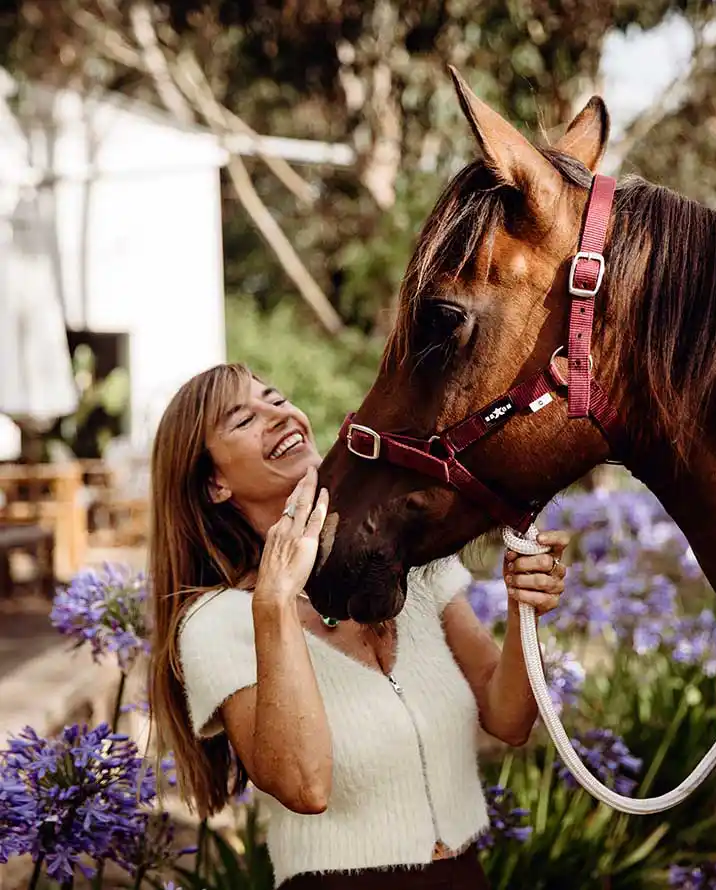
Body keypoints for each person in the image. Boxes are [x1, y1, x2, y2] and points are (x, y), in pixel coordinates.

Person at [148, 363, 569, 890]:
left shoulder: (409, 562)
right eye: (242, 419)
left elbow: (508, 719)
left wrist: (522, 605)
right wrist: (274, 601)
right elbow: (305, 786)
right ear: (214, 483)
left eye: (275, 396)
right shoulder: (216, 625)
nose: (275, 414)